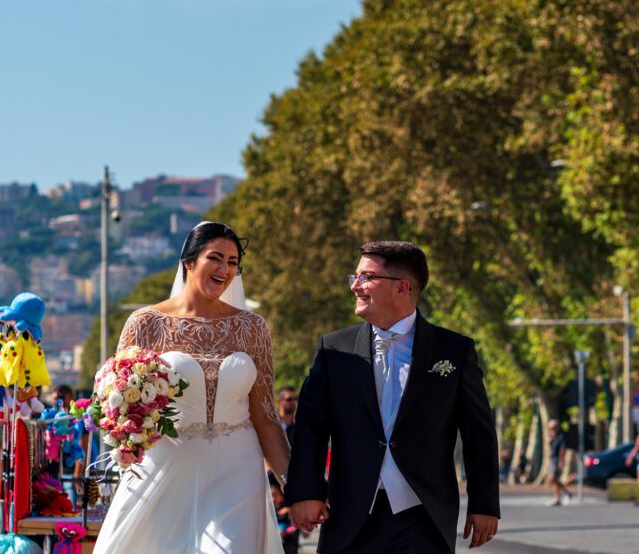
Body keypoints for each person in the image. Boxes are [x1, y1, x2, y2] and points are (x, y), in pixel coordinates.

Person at [286, 241, 500, 553]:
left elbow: (478, 434)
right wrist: (305, 492)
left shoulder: (453, 351)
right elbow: (310, 428)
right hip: (349, 517)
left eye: (367, 277)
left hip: (423, 518)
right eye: (355, 277)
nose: (355, 287)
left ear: (402, 287)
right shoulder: (334, 349)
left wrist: (485, 504)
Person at [92, 221, 290, 554]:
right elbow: (118, 407)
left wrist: (296, 487)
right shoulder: (145, 323)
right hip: (166, 466)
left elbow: (266, 416)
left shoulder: (252, 327)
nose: (224, 269)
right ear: (189, 262)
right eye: (215, 258)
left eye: (232, 262)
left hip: (237, 469)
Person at [547, 420, 571, 506]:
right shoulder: (552, 436)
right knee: (554, 480)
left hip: (557, 459)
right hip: (552, 459)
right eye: (550, 428)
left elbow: (562, 450)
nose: (551, 429)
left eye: (552, 427)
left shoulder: (560, 437)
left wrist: (561, 462)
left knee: (553, 478)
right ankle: (562, 495)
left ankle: (559, 497)